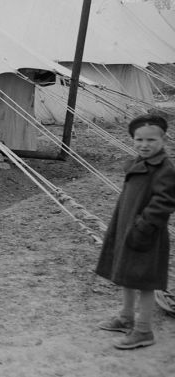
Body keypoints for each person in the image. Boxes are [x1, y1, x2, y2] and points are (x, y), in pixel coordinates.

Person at [95, 113, 175, 350]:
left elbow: (164, 201)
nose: (144, 145)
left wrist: (143, 227)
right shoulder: (138, 162)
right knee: (126, 274)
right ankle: (126, 316)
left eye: (151, 140)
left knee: (145, 281)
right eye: (139, 140)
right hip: (126, 228)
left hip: (147, 234)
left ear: (164, 139)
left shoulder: (165, 168)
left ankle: (143, 330)